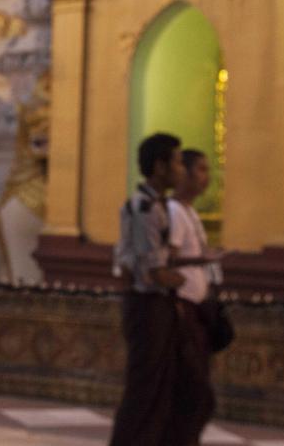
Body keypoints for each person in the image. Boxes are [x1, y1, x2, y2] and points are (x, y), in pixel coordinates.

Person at [109, 132, 196, 446]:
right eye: (176, 162)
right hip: (147, 306)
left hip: (155, 305)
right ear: (160, 167)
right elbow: (152, 270)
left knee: (161, 386)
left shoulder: (159, 206)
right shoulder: (144, 207)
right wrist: (178, 278)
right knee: (144, 388)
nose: (181, 170)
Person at [165, 148, 223, 444]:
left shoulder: (189, 211)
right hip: (183, 309)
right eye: (201, 169)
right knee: (194, 391)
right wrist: (200, 262)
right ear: (182, 174)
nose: (207, 177)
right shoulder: (174, 212)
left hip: (198, 310)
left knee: (199, 394)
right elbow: (167, 261)